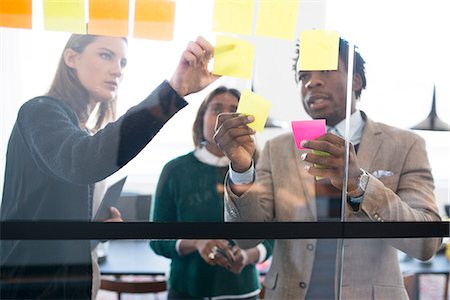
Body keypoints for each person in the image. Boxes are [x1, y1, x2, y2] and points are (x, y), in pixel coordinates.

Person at [213, 37, 442, 299]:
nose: (312, 82)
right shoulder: (277, 148)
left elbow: (426, 243)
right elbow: (246, 239)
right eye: (303, 75)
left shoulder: (405, 145)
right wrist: (241, 168)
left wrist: (360, 185)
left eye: (325, 70)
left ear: (356, 80)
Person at [1, 34, 219, 300]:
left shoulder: (79, 131)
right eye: (106, 55)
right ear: (71, 58)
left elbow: (57, 223)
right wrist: (172, 91)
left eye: (123, 62)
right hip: (30, 289)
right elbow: (83, 161)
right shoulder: (39, 111)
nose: (117, 69)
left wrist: (95, 229)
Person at [150, 86, 274, 299]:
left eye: (235, 110)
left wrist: (247, 255)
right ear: (201, 119)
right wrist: (196, 243)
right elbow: (156, 239)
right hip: (187, 289)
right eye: (216, 109)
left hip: (242, 291)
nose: (225, 117)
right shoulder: (174, 170)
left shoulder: (260, 169)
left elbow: (272, 235)